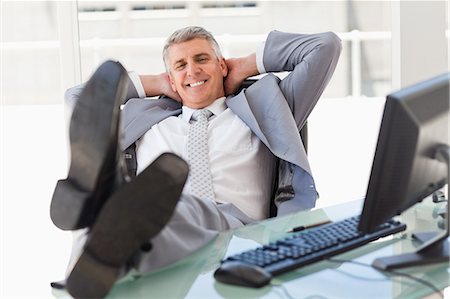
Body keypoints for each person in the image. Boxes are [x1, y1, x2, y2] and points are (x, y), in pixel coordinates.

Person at [51, 26, 341, 298]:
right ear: (171, 78)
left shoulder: (267, 107)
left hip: (238, 235)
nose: (192, 69)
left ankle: (96, 213)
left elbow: (324, 47)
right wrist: (156, 82)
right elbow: (78, 100)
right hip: (160, 238)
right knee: (144, 227)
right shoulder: (148, 121)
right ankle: (98, 248)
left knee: (172, 205)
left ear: (221, 65)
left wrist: (246, 65)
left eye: (202, 59)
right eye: (180, 65)